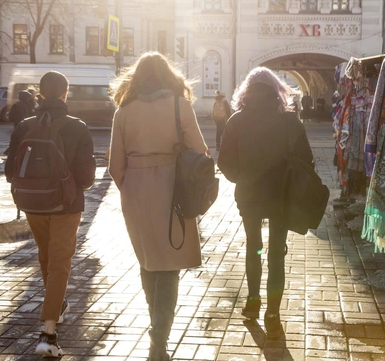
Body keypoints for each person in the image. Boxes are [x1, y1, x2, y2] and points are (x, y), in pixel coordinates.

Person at [108, 52, 208, 361]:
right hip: (173, 188)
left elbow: (115, 166)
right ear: (168, 75)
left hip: (135, 190)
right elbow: (201, 151)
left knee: (148, 259)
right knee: (170, 265)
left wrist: (133, 187)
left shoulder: (123, 111)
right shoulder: (180, 104)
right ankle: (160, 339)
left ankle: (157, 330)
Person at [217, 67, 313, 340]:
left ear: (247, 91)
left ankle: (252, 301)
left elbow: (223, 161)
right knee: (276, 253)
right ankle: (273, 313)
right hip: (281, 198)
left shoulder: (236, 121)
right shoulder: (290, 122)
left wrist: (242, 178)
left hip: (249, 196)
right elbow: (307, 161)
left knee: (254, 247)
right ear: (276, 91)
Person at [4, 71, 96, 357]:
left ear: (40, 94)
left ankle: (56, 306)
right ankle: (48, 333)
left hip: (32, 203)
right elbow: (87, 177)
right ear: (65, 94)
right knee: (60, 263)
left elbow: (9, 171)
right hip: (66, 206)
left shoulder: (24, 125)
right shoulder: (77, 127)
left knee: (46, 256)